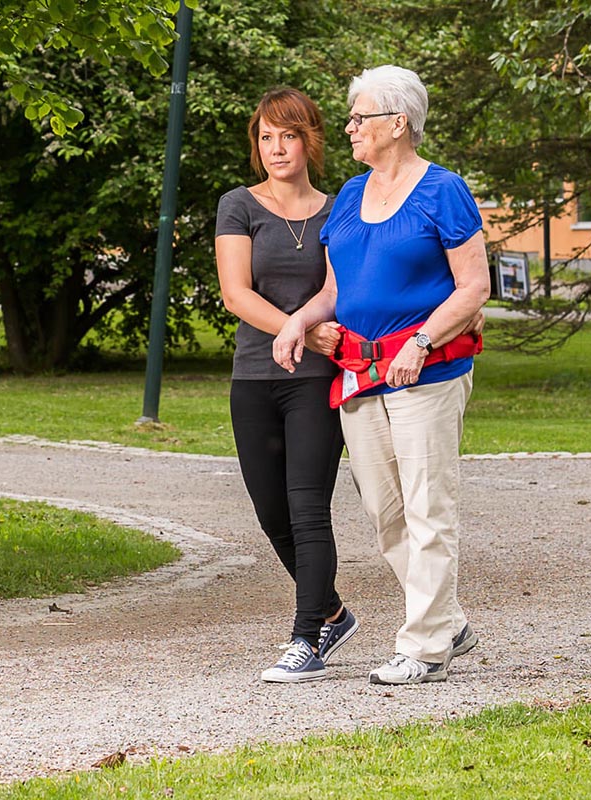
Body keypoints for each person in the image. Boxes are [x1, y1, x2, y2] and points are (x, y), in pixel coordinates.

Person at [273, 65, 490, 686]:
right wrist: (296, 323)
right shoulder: (349, 194)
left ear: (398, 123)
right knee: (388, 514)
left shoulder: (443, 190)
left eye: (358, 117)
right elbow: (335, 290)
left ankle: (423, 647)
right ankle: (446, 620)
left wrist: (421, 341)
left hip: (426, 371)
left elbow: (474, 286)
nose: (347, 128)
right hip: (360, 371)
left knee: (428, 506)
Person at [215, 87, 359, 683]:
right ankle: (331, 609)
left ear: (310, 140)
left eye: (288, 135)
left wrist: (314, 332)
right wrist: (295, 329)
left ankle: (307, 640)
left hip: (316, 382)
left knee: (307, 510)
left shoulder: (340, 208)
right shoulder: (238, 205)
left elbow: (338, 286)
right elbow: (236, 292)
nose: (276, 147)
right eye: (266, 137)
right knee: (271, 512)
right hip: (253, 376)